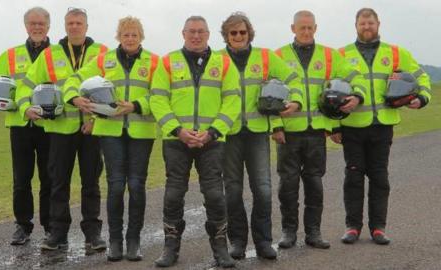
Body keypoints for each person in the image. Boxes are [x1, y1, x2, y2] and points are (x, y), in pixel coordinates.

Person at [331, 8, 431, 245]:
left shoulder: (396, 53)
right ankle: (352, 227)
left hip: (383, 126)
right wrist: (334, 126)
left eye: (371, 23)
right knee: (353, 178)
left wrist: (422, 98)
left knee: (379, 177)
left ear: (378, 24)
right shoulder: (341, 54)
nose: (367, 27)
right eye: (362, 23)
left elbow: (422, 77)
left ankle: (378, 228)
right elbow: (330, 90)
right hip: (352, 127)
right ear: (355, 26)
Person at [63, 16, 158, 261]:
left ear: (141, 37)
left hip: (141, 132)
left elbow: (161, 95)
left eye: (134, 35)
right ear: (119, 37)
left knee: (136, 185)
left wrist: (136, 105)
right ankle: (115, 241)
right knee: (115, 185)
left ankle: (134, 241)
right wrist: (75, 98)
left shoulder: (155, 62)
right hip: (109, 132)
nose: (130, 39)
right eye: (125, 34)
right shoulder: (104, 60)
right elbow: (74, 79)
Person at [150, 16, 241, 268]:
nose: (196, 36)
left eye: (201, 32)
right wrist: (177, 130)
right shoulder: (168, 62)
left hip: (211, 141)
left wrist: (213, 131)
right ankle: (170, 248)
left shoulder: (223, 63)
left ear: (208, 34)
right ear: (183, 33)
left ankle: (220, 249)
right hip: (176, 140)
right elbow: (157, 99)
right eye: (192, 31)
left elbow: (233, 101)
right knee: (173, 195)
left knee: (214, 195)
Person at [16, 7, 108, 250]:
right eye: (70, 23)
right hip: (59, 129)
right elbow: (26, 84)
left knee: (91, 183)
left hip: (92, 129)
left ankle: (92, 234)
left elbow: (115, 91)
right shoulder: (50, 54)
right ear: (64, 26)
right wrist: (25, 106)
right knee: (58, 183)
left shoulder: (102, 53)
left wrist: (97, 120)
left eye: (79, 23)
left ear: (86, 27)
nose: (74, 27)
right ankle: (58, 233)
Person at [274, 10, 365, 249]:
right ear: (292, 28)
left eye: (310, 27)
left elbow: (355, 76)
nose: (306, 32)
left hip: (317, 132)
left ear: (316, 28)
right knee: (288, 184)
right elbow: (267, 94)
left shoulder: (329, 55)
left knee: (314, 183)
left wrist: (357, 95)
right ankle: (288, 232)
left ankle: (313, 232)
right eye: (301, 27)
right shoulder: (278, 56)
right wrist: (274, 126)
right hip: (288, 132)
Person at [219, 12, 303, 260]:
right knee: (232, 191)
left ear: (249, 33)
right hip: (229, 133)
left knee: (263, 190)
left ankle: (264, 241)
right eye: (233, 33)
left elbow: (293, 79)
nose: (238, 36)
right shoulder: (216, 59)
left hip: (257, 133)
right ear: (226, 35)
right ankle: (237, 242)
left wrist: (295, 101)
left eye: (242, 32)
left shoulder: (266, 57)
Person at [0, 7, 52, 245]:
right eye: (32, 23)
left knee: (50, 178)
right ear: (25, 26)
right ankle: (23, 226)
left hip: (51, 125)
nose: (36, 27)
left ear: (48, 26)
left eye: (41, 23)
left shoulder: (57, 54)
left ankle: (50, 227)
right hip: (19, 125)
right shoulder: (10, 55)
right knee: (21, 179)